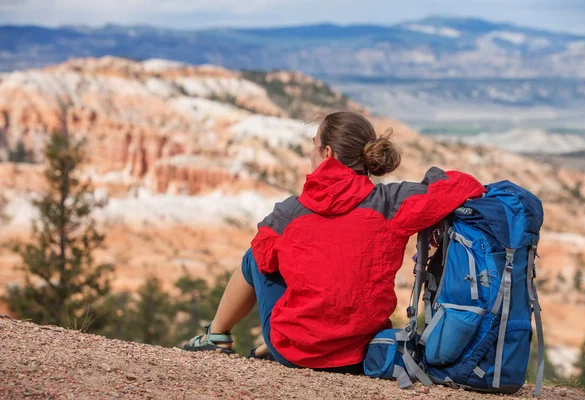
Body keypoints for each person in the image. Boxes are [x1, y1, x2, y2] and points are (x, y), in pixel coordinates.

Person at [184, 111, 486, 373]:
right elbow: (466, 186)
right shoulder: (393, 203)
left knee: (254, 257)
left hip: (295, 352)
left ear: (327, 154)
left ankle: (216, 336)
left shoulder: (289, 214)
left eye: (314, 145)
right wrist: (431, 178)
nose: (311, 152)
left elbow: (264, 261)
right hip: (364, 353)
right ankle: (271, 342)